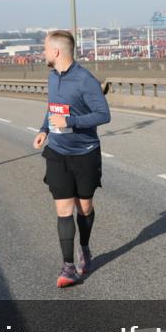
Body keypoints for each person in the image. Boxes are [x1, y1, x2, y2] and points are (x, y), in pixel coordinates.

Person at [32, 30, 111, 287]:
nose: (43, 53)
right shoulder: (52, 77)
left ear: (56, 51)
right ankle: (68, 268)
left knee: (84, 207)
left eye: (45, 49)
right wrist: (44, 130)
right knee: (63, 209)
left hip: (85, 153)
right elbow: (52, 107)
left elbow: (103, 114)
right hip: (57, 152)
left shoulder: (85, 80)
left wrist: (70, 121)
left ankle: (84, 248)